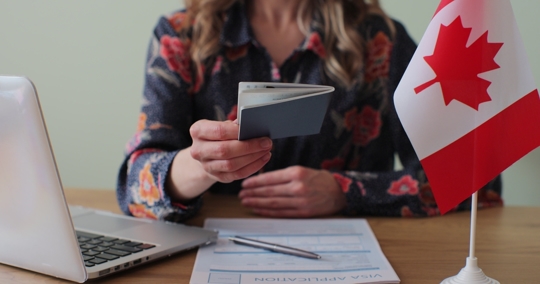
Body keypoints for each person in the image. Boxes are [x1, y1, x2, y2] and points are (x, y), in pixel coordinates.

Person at [117, 0, 503, 222]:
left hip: (355, 258)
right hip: (212, 254)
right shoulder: (181, 34)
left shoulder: (380, 40)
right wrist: (200, 165)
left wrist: (347, 191)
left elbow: (476, 181)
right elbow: (134, 187)